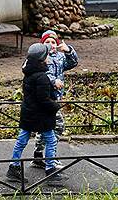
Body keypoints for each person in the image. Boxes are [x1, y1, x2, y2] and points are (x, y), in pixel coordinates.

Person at [5, 43, 64, 184]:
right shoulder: (41, 77)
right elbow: (43, 100)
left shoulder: (29, 73)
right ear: (42, 59)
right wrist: (56, 105)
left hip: (28, 113)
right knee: (51, 140)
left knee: (22, 140)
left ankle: (13, 167)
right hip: (41, 116)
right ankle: (50, 170)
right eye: (47, 55)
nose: (49, 57)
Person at [31, 30, 78, 169]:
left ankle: (38, 156)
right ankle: (51, 157)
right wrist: (53, 81)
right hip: (43, 98)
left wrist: (68, 50)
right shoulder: (39, 56)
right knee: (58, 126)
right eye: (47, 42)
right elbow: (38, 73)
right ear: (42, 44)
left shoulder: (60, 57)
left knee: (44, 127)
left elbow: (74, 62)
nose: (51, 44)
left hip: (54, 98)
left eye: (53, 42)